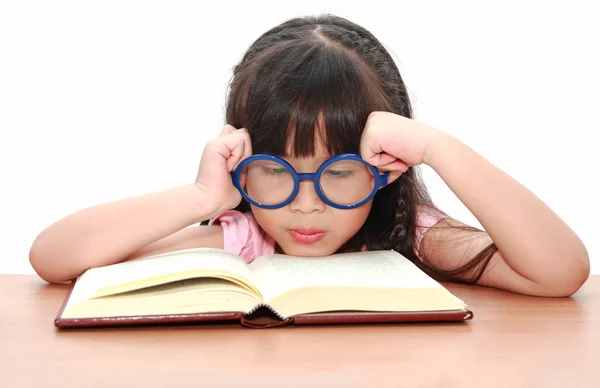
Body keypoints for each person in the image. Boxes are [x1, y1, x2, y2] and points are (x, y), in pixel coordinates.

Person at [29, 14, 589, 297]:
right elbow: (54, 258)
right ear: (243, 165)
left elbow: (560, 272)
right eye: (275, 172)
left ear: (384, 169)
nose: (304, 206)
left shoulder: (405, 233)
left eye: (338, 173)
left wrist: (437, 147)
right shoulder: (244, 236)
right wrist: (202, 197)